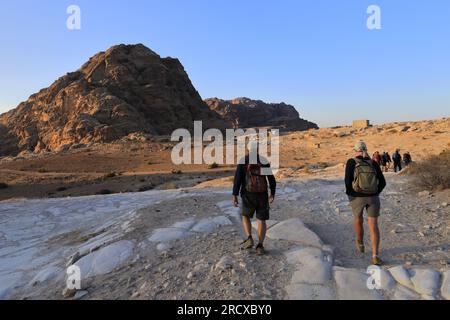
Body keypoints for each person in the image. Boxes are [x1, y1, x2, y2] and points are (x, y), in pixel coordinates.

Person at [345, 141, 386, 266]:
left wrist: (351, 194)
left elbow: (347, 181)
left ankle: (360, 243)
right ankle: (375, 256)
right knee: (373, 226)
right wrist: (375, 193)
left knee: (358, 219)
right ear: (366, 149)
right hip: (373, 197)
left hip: (357, 197)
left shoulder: (351, 162)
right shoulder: (373, 162)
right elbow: (383, 182)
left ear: (355, 150)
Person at [232, 142, 276, 256]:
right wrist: (272, 193)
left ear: (247, 149)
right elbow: (271, 179)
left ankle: (249, 238)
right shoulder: (263, 161)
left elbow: (238, 180)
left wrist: (234, 195)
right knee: (261, 220)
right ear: (257, 149)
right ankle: (260, 246)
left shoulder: (243, 161)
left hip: (248, 194)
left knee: (245, 216)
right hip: (262, 195)